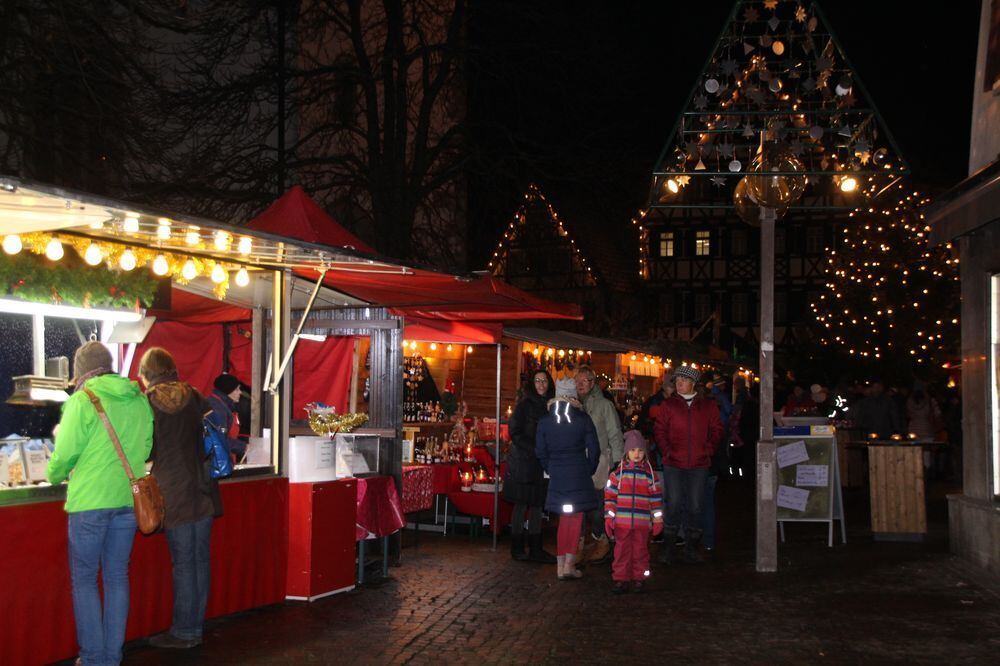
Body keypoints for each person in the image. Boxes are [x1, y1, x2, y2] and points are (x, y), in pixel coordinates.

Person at [46, 341, 154, 666]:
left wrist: (53, 474)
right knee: (117, 576)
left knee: (85, 578)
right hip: (127, 500)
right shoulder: (138, 398)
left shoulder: (83, 400)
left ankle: (93, 658)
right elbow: (147, 447)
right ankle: (111, 656)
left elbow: (64, 455)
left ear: (81, 371)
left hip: (90, 501)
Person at [138, 348, 221, 649]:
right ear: (172, 368)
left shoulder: (147, 403)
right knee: (200, 560)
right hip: (200, 486)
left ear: (146, 373)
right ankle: (195, 626)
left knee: (184, 563)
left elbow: (145, 447)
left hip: (171, 490)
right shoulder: (194, 395)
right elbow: (218, 426)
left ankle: (185, 632)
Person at [653, 365, 722, 565]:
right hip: (674, 463)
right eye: (677, 381)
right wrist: (667, 451)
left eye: (683, 380)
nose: (679, 384)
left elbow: (717, 430)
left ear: (693, 383)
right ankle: (668, 548)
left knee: (696, 506)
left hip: (699, 464)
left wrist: (707, 450)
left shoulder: (708, 406)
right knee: (673, 504)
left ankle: (692, 548)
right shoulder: (669, 406)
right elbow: (659, 430)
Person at [535, 377, 601, 581]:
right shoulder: (583, 419)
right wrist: (587, 469)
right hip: (579, 474)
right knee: (575, 519)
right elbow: (595, 449)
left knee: (563, 521)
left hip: (558, 476)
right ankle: (569, 566)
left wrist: (551, 468)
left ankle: (560, 565)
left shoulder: (545, 421)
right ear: (574, 396)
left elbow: (540, 451)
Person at [504, 370, 556, 563]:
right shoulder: (524, 405)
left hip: (541, 463)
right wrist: (533, 448)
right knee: (521, 504)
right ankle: (517, 547)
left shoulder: (551, 405)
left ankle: (536, 548)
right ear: (532, 384)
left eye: (544, 381)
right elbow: (514, 431)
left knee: (537, 504)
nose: (541, 384)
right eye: (537, 381)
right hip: (524, 462)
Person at [574, 366, 624, 564]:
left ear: (592, 383)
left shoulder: (604, 405)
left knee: (596, 506)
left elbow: (614, 433)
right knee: (578, 507)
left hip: (600, 463)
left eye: (584, 381)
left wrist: (617, 462)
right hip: (577, 463)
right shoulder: (572, 404)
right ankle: (578, 544)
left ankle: (601, 540)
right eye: (577, 381)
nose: (580, 385)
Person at [604, 430, 663, 593]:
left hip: (642, 523)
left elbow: (656, 500)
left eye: (640, 450)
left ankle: (640, 578)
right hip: (622, 523)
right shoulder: (616, 475)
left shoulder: (650, 475)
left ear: (645, 452)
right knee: (621, 551)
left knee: (641, 551)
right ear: (626, 452)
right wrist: (609, 517)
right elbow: (609, 498)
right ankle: (620, 579)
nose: (636, 454)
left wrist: (657, 519)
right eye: (632, 450)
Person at [702, 372, 732, 557]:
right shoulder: (721, 402)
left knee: (700, 501)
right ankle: (708, 541)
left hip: (704, 461)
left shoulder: (705, 409)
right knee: (708, 501)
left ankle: (699, 539)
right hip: (712, 460)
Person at [207, 373, 245, 464]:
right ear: (228, 391)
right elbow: (219, 439)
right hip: (218, 463)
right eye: (237, 389)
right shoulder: (217, 408)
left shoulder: (224, 406)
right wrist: (243, 447)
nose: (240, 392)